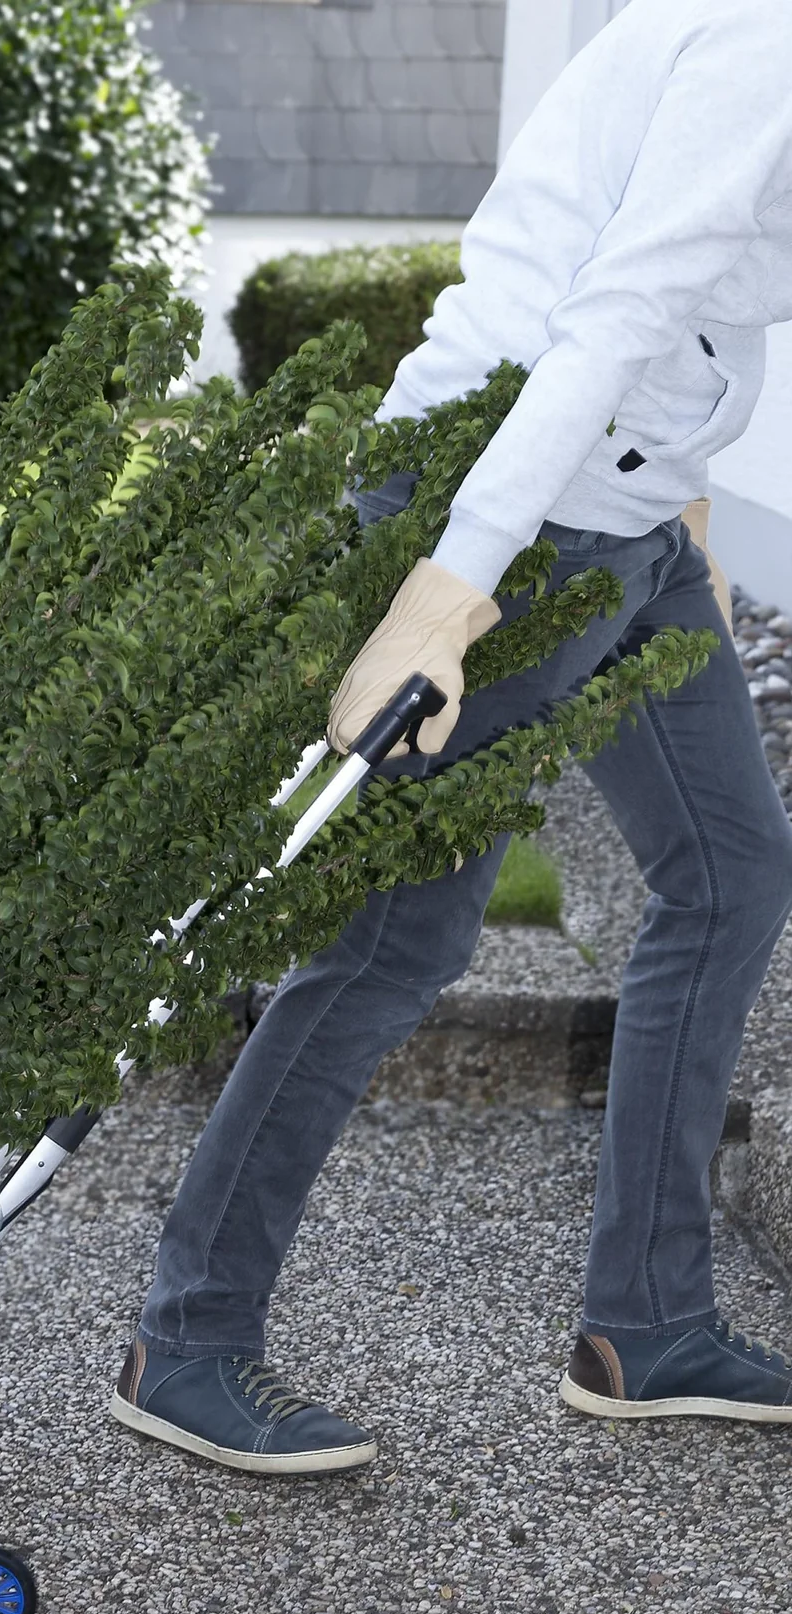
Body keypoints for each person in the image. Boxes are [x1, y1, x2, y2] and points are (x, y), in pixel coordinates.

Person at [112, 0, 792, 1473]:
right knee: (393, 944)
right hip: (508, 522)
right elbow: (616, 302)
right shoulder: (765, 41)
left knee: (734, 876)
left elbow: (696, 289)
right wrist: (444, 595)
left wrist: (682, 501)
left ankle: (650, 1323)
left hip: (619, 528)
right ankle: (190, 1337)